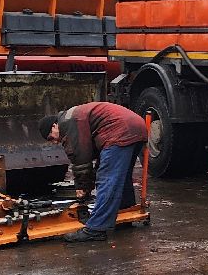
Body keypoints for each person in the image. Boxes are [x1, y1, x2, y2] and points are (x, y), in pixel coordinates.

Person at [40, 101, 149, 242]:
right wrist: (88, 183)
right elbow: (94, 156)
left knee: (106, 179)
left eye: (51, 138)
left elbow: (80, 160)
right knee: (121, 177)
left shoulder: (67, 124)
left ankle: (96, 228)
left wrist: (82, 188)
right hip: (136, 127)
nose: (55, 142)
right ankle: (124, 213)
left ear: (54, 126)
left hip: (119, 130)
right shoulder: (73, 117)